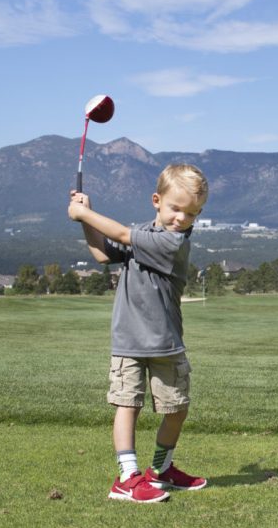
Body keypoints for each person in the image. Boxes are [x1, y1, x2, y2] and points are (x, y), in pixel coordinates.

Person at [68, 163, 210, 503]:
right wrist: (84, 219)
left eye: (190, 214)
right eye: (175, 209)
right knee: (127, 404)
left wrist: (85, 213)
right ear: (156, 200)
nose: (181, 219)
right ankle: (127, 478)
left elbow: (119, 236)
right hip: (129, 339)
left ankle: (160, 471)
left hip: (165, 341)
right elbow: (103, 253)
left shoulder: (173, 242)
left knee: (177, 409)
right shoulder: (145, 232)